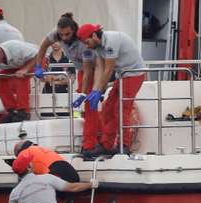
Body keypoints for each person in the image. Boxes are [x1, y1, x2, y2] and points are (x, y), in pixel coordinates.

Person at [76, 24, 145, 157]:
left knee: (121, 109)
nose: (86, 46)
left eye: (87, 42)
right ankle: (106, 145)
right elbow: (100, 69)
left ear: (95, 35)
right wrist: (93, 91)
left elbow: (108, 70)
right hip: (123, 75)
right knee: (108, 107)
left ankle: (124, 146)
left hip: (134, 74)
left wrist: (98, 91)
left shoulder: (111, 42)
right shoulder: (97, 47)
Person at [33, 13, 99, 151]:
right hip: (83, 71)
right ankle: (95, 138)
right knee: (86, 110)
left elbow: (88, 70)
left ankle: (90, 145)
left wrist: (83, 93)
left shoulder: (83, 42)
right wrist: (38, 65)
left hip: (95, 70)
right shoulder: (56, 34)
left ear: (74, 31)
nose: (64, 38)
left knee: (90, 108)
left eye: (67, 34)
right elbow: (43, 46)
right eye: (61, 34)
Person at [0, 40, 38, 126]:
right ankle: (12, 110)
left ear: (0, 52)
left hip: (36, 59)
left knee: (19, 76)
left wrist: (26, 69)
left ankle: (23, 111)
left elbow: (39, 54)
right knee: (0, 78)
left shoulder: (16, 48)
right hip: (17, 65)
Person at [12, 140, 79, 183]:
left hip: (56, 173)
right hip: (72, 173)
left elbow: (17, 167)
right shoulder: (42, 149)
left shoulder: (25, 152)